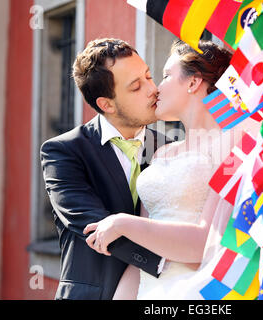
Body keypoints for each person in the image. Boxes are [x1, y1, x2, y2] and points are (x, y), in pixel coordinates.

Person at [83, 40, 238, 299]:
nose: (156, 88)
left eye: (166, 76)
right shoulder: (161, 152)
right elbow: (142, 253)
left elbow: (204, 243)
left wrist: (122, 223)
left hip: (199, 292)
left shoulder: (233, 147)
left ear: (193, 82)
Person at [40, 38, 174, 300]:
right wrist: (175, 260)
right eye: (136, 87)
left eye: (148, 76)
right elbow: (97, 229)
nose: (152, 89)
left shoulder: (172, 149)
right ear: (107, 105)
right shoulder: (63, 153)